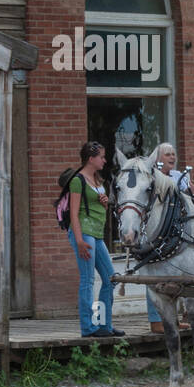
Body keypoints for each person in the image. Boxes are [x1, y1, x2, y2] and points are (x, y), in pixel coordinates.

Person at [68, 140, 124, 338]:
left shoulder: (97, 180)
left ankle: (103, 325)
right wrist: (79, 240)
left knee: (110, 279)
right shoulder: (78, 180)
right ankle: (88, 327)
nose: (104, 160)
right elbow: (74, 213)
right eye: (101, 156)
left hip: (97, 235)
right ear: (91, 158)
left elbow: (99, 205)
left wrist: (105, 202)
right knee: (88, 280)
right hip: (84, 233)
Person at [147, 142, 194, 333]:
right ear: (158, 159)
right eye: (167, 154)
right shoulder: (152, 177)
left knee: (177, 274)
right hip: (157, 234)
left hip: (177, 233)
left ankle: (174, 318)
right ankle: (155, 320)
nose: (172, 157)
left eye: (174, 154)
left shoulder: (178, 176)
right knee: (151, 274)